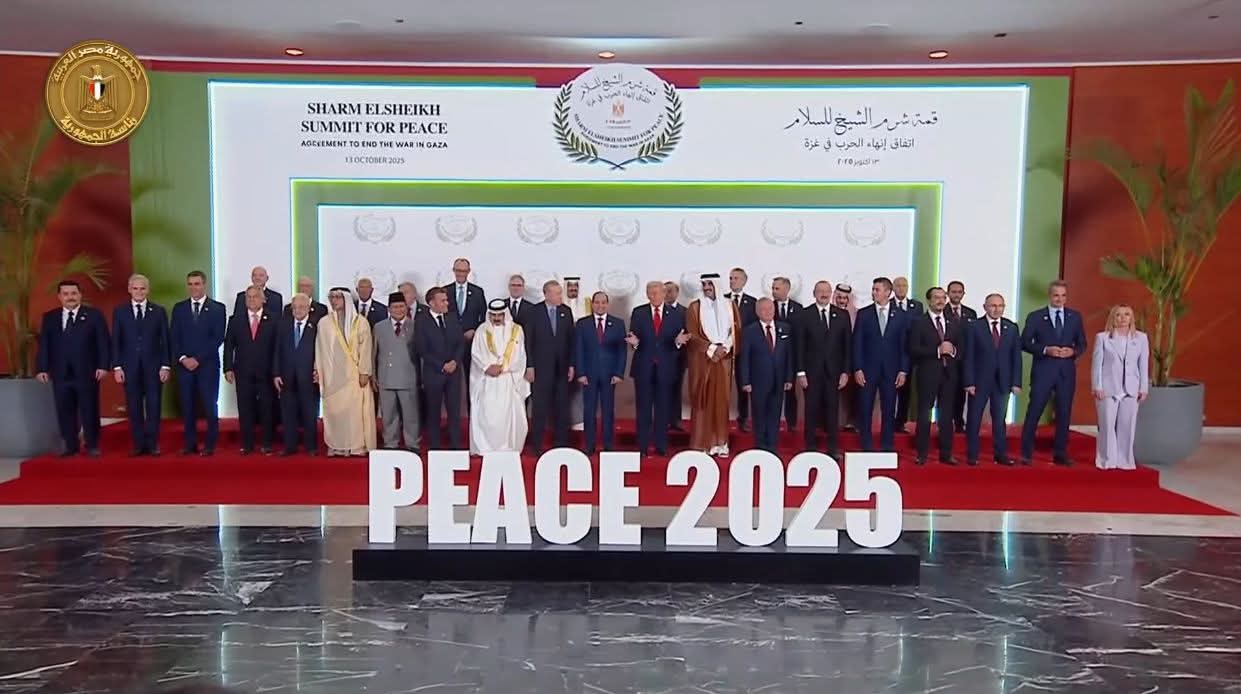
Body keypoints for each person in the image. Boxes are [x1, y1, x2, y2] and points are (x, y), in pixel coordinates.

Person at [35, 280, 110, 457]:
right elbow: (44, 344)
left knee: (89, 408)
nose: (70, 297)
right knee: (64, 409)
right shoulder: (50, 317)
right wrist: (41, 368)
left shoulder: (94, 315)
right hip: (60, 372)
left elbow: (103, 342)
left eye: (74, 293)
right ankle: (70, 446)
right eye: (66, 294)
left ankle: (92, 445)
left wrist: (103, 365)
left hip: (87, 371)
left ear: (80, 295)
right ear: (59, 297)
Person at [1020, 279, 1087, 466]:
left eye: (1063, 296)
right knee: (1034, 411)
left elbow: (1082, 343)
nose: (1060, 299)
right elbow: (1025, 342)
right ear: (1050, 296)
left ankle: (1060, 453)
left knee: (1064, 413)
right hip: (1043, 371)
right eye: (1056, 295)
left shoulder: (1075, 317)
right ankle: (1026, 453)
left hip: (1066, 372)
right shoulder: (1036, 317)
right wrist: (1045, 350)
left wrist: (1073, 351)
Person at [111, 273, 171, 457]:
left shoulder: (158, 311)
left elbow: (165, 340)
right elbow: (116, 341)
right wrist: (117, 367)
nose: (139, 291)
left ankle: (152, 444)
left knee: (153, 406)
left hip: (153, 367)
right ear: (129, 290)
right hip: (129, 368)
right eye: (135, 288)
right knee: (134, 407)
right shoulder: (120, 312)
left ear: (148, 290)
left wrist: (165, 366)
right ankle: (138, 444)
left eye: (142, 288)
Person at [627, 281, 688, 456]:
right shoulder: (639, 313)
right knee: (643, 409)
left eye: (657, 292)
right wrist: (635, 343)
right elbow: (634, 337)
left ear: (664, 294)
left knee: (663, 409)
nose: (654, 296)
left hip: (666, 369)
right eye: (650, 293)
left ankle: (661, 446)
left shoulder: (676, 315)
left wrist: (678, 343)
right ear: (647, 294)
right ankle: (643, 447)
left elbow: (678, 341)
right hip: (644, 368)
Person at [685, 273, 741, 456]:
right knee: (703, 402)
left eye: (710, 284)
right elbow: (692, 335)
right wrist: (712, 349)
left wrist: (725, 347)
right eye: (704, 284)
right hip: (703, 361)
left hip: (723, 360)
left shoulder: (730, 305)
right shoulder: (695, 307)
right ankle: (702, 444)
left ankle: (720, 443)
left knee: (721, 402)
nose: (707, 287)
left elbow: (736, 330)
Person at [963, 293, 1022, 466]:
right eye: (993, 306)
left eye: (1000, 306)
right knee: (974, 419)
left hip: (1002, 382)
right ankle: (972, 455)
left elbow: (1016, 357)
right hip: (979, 382)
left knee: (999, 420)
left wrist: (1016, 382)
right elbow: (968, 356)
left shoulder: (1011, 328)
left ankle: (1000, 454)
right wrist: (969, 381)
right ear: (985, 307)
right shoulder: (974, 326)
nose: (997, 309)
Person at [171, 271, 226, 456]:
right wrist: (183, 358)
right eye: (190, 284)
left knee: (210, 405)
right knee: (187, 406)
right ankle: (190, 444)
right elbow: (174, 337)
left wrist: (197, 359)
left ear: (204, 285)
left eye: (197, 284)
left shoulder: (218, 308)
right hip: (184, 366)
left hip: (208, 366)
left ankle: (210, 444)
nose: (193, 287)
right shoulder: (179, 308)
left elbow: (217, 337)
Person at [316, 286, 376, 456]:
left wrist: (365, 372)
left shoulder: (360, 322)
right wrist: (318, 370)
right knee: (335, 413)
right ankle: (337, 446)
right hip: (332, 377)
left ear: (346, 299)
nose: (334, 301)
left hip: (355, 376)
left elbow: (366, 348)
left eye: (338, 297)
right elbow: (319, 349)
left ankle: (356, 447)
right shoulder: (324, 323)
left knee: (354, 413)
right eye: (331, 297)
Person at [852, 277, 910, 452]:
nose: (874, 292)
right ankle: (866, 444)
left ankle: (887, 445)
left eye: (877, 289)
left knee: (889, 408)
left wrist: (903, 370)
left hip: (891, 370)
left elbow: (904, 346)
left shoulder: (901, 316)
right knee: (865, 407)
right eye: (873, 289)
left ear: (888, 292)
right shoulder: (864, 314)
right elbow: (857, 343)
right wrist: (857, 368)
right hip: (868, 370)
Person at [908, 287, 964, 466]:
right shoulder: (919, 322)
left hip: (949, 375)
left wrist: (953, 351)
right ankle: (922, 454)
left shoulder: (953, 322)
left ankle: (946, 454)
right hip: (928, 374)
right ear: (929, 301)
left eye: (943, 297)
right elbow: (913, 349)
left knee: (947, 416)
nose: (941, 301)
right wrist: (937, 351)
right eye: (936, 298)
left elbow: (962, 349)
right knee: (924, 414)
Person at [795, 281, 851, 458]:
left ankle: (832, 448)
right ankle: (810, 447)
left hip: (834, 373)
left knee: (832, 411)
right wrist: (801, 372)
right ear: (814, 293)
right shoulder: (805, 315)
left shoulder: (842, 315)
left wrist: (845, 372)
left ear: (831, 293)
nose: (824, 294)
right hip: (811, 373)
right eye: (820, 291)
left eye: (827, 291)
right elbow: (799, 345)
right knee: (811, 410)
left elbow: (847, 346)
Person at [1091, 304, 1149, 470]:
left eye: (1127, 314)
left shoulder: (1141, 338)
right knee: (1107, 426)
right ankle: (1107, 460)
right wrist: (1097, 386)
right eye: (1118, 315)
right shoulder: (1102, 338)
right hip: (1108, 388)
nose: (1123, 318)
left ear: (1132, 318)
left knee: (1127, 426)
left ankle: (1124, 461)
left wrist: (1143, 388)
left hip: (1131, 388)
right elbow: (1097, 365)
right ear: (1112, 318)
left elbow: (1143, 365)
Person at [470, 299, 530, 454]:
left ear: (505, 315)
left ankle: (508, 448)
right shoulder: (481, 330)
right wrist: (487, 368)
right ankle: (486, 448)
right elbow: (475, 353)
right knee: (488, 414)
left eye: (500, 315)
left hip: (508, 380)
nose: (496, 318)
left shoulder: (517, 330)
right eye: (493, 315)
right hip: (487, 381)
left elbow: (520, 355)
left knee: (507, 416)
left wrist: (503, 368)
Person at [224, 286, 278, 454]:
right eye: (249, 297)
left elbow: (278, 348)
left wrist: (277, 371)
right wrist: (228, 368)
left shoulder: (274, 319)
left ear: (263, 299)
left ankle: (267, 443)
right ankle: (247, 444)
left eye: (255, 296)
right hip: (243, 371)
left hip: (266, 372)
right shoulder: (235, 319)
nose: (252, 300)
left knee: (267, 408)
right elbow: (229, 346)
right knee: (245, 408)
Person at [523, 279, 575, 454]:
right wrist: (529, 366)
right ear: (547, 294)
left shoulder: (566, 311)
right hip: (540, 369)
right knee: (540, 407)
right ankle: (536, 445)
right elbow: (528, 341)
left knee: (561, 407)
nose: (561, 296)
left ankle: (561, 444)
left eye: (560, 293)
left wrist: (572, 365)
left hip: (562, 368)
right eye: (557, 293)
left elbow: (571, 340)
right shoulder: (533, 312)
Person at [740, 298, 794, 453]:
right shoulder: (750, 331)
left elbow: (789, 355)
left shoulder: (784, 328)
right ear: (757, 312)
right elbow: (745, 358)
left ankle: (772, 447)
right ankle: (760, 447)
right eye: (764, 309)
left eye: (770, 308)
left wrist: (789, 378)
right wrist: (745, 381)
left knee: (775, 415)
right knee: (759, 415)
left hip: (779, 380)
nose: (768, 312)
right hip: (758, 382)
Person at [415, 287, 465, 449]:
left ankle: (455, 445)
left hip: (453, 373)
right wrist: (441, 365)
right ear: (432, 303)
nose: (447, 303)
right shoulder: (421, 321)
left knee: (454, 411)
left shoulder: (452, 318)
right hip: (434, 373)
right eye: (443, 300)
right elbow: (422, 349)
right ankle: (435, 447)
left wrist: (455, 362)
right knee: (433, 412)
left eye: (446, 300)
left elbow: (460, 343)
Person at [578, 292, 628, 454]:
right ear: (592, 304)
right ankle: (589, 445)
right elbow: (578, 349)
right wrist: (581, 373)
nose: (600, 305)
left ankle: (608, 445)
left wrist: (619, 373)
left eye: (603, 302)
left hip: (609, 375)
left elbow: (622, 351)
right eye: (597, 302)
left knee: (608, 411)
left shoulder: (618, 324)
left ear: (608, 304)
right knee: (589, 411)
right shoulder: (582, 324)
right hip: (589, 375)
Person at [373, 292, 420, 451]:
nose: (398, 310)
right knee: (388, 414)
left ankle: (412, 443)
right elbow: (374, 353)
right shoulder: (379, 327)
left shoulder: (415, 326)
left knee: (410, 414)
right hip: (386, 377)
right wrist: (374, 375)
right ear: (389, 309)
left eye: (401, 306)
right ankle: (390, 443)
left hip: (408, 377)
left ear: (406, 308)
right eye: (395, 307)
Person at [274, 294, 319, 456]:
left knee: (309, 412)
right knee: (288, 413)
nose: (298, 310)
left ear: (308, 308)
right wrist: (276, 373)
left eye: (301, 307)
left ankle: (311, 446)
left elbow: (321, 351)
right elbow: (277, 350)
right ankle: (289, 446)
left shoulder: (317, 326)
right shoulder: (283, 325)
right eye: (295, 308)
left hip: (308, 377)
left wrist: (319, 370)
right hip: (287, 377)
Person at [445, 258, 486, 410]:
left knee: (472, 380)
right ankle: (453, 414)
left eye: (464, 270)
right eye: (458, 270)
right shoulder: (445, 291)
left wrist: (475, 330)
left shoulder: (477, 292)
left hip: (471, 343)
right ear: (453, 271)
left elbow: (484, 317)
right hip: (450, 344)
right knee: (451, 381)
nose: (461, 273)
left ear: (469, 271)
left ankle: (472, 413)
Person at [724, 267, 758, 431]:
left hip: (743, 351)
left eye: (736, 278)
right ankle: (721, 417)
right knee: (721, 385)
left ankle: (743, 418)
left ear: (744, 281)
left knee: (743, 385)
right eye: (731, 278)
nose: (732, 281)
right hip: (724, 350)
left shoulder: (752, 303)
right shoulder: (721, 300)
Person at [772, 276, 804, 432]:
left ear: (786, 289)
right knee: (772, 391)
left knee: (790, 391)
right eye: (773, 288)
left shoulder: (798, 309)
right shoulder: (769, 307)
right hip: (773, 356)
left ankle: (791, 422)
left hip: (792, 357)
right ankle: (774, 421)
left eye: (777, 288)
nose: (774, 291)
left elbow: (801, 335)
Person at [891, 276, 922, 434]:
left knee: (906, 391)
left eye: (904, 285)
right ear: (893, 288)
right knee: (889, 391)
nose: (901, 288)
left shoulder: (916, 306)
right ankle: (888, 420)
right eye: (898, 285)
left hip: (909, 354)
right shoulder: (887, 304)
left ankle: (900, 422)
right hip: (891, 353)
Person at [945, 280, 978, 432]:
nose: (957, 295)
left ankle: (959, 422)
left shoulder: (971, 313)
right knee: (946, 394)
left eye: (960, 292)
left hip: (964, 361)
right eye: (954, 292)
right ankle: (944, 423)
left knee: (961, 394)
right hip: (946, 361)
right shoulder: (941, 311)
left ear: (963, 294)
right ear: (948, 293)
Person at [833, 283, 859, 430]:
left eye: (845, 298)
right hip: (832, 359)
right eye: (839, 297)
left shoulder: (856, 314)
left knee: (852, 393)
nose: (842, 301)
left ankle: (851, 421)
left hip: (851, 359)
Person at [664, 280, 688, 432]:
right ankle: (663, 419)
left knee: (676, 389)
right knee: (661, 389)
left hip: (679, 358)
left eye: (670, 291)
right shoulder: (657, 311)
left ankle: (676, 419)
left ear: (677, 293)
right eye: (665, 291)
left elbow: (689, 334)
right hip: (661, 357)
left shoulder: (685, 312)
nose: (667, 294)